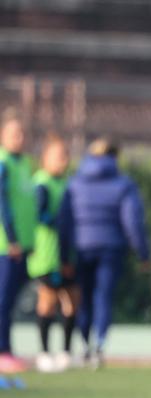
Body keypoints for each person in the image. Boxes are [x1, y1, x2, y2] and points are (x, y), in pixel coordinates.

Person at [61, 136, 150, 369]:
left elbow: (65, 221)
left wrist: (63, 255)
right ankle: (99, 347)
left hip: (82, 248)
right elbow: (132, 221)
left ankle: (84, 345)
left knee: (85, 298)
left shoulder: (75, 182)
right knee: (103, 297)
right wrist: (143, 252)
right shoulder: (123, 183)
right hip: (111, 248)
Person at [29, 133, 78, 372]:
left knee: (71, 300)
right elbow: (40, 215)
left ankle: (66, 351)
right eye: (58, 156)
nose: (64, 160)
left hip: (67, 252)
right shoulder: (41, 183)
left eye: (66, 155)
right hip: (47, 254)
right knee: (47, 301)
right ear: (44, 159)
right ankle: (44, 352)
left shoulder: (68, 183)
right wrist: (60, 222)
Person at [0, 111, 38, 374]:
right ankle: (2, 350)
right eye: (14, 134)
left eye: (22, 133)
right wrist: (12, 238)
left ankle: (7, 348)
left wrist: (29, 240)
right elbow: (3, 205)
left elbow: (27, 206)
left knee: (11, 300)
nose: (19, 138)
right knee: (2, 300)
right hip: (5, 246)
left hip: (22, 245)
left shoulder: (25, 164)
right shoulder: (3, 164)